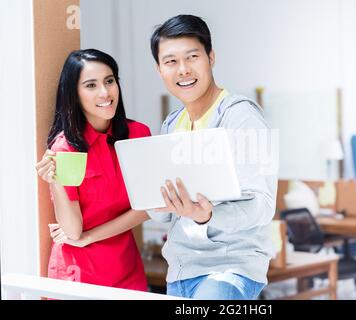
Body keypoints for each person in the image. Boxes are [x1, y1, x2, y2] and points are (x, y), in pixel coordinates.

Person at [147, 14, 278, 299]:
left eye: (192, 57)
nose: (182, 70)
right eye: (170, 61)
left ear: (211, 58)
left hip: (229, 269)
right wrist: (156, 201)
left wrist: (208, 215)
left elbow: (263, 205)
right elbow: (165, 216)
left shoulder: (243, 117)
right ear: (159, 70)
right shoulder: (171, 124)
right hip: (181, 270)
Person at [35, 49, 150, 291]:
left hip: (127, 270)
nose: (105, 92)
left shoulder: (138, 135)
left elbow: (148, 208)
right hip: (78, 273)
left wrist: (90, 236)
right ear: (74, 95)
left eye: (109, 81)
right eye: (91, 85)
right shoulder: (65, 149)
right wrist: (54, 180)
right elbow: (73, 231)